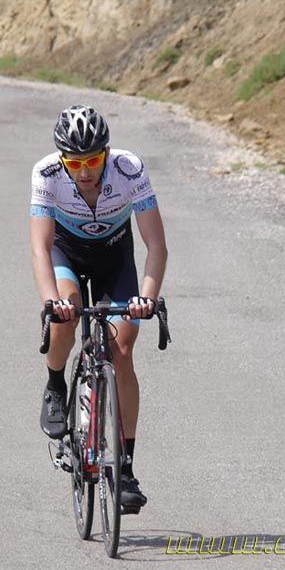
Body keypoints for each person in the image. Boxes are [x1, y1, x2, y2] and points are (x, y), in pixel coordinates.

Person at [29, 105, 168, 512]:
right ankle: (56, 385)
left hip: (114, 255)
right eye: (75, 163)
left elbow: (156, 244)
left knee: (122, 350)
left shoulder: (129, 169)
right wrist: (51, 302)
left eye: (92, 161)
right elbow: (40, 247)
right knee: (66, 317)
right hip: (66, 253)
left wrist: (147, 297)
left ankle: (125, 469)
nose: (85, 171)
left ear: (106, 153)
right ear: (62, 160)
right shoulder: (47, 174)